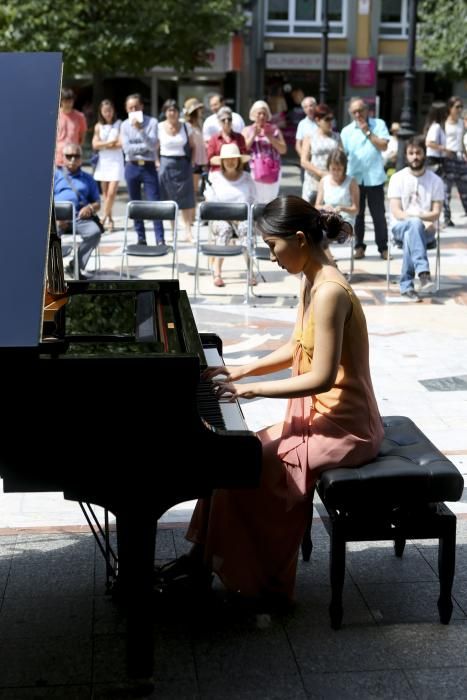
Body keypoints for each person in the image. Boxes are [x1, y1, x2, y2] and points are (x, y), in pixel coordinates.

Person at [155, 195, 384, 607]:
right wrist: (241, 370)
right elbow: (298, 347)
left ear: (298, 239)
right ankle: (200, 562)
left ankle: (245, 577)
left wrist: (252, 390)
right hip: (323, 416)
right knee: (229, 462)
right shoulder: (311, 280)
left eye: (272, 246)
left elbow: (322, 377)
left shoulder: (330, 291)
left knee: (245, 469)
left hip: (346, 426)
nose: (271, 257)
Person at [387, 136, 444, 302]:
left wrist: (419, 222)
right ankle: (423, 272)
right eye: (411, 153)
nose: (415, 157)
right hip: (400, 227)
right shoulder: (397, 178)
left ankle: (407, 286)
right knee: (412, 227)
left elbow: (436, 213)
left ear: (424, 154)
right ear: (406, 155)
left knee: (410, 236)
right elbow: (397, 212)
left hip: (428, 231)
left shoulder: (436, 181)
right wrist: (418, 220)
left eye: (418, 153)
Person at [340, 97, 390, 260]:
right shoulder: (346, 131)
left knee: (378, 215)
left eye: (360, 110)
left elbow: (383, 145)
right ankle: (359, 246)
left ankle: (383, 248)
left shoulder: (379, 124)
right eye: (354, 112)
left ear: (367, 110)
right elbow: (343, 155)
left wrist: (367, 130)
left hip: (374, 178)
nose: (357, 114)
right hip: (355, 178)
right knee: (357, 214)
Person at [204, 143, 256, 288]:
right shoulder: (214, 177)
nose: (230, 161)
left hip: (243, 218)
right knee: (224, 229)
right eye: (227, 159)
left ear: (239, 161)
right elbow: (210, 204)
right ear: (222, 161)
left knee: (246, 229)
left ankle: (250, 272)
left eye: (234, 158)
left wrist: (242, 216)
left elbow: (253, 201)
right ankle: (217, 273)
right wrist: (228, 215)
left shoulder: (247, 178)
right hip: (220, 218)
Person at [120, 93, 165, 245]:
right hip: (131, 166)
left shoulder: (152, 122)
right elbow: (127, 149)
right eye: (130, 108)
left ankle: (160, 238)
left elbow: (153, 146)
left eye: (136, 107)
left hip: (148, 167)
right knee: (135, 203)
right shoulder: (124, 125)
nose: (134, 110)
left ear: (142, 107)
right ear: (127, 109)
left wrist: (140, 131)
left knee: (154, 203)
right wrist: (144, 147)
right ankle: (141, 237)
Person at [54, 143, 102, 280]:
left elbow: (97, 203)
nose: (73, 159)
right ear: (62, 158)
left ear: (81, 158)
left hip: (80, 218)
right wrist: (56, 217)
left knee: (95, 233)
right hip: (57, 218)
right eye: (69, 156)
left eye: (76, 156)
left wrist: (90, 208)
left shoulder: (88, 179)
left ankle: (75, 265)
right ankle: (48, 270)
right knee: (43, 237)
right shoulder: (54, 176)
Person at [158, 99, 196, 242]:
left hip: (183, 163)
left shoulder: (186, 126)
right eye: (169, 110)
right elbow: (155, 146)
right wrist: (157, 162)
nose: (172, 113)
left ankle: (188, 231)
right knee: (168, 199)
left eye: (174, 110)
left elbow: (193, 146)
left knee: (186, 199)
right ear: (165, 112)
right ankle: (172, 232)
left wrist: (192, 162)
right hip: (166, 163)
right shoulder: (159, 127)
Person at [243, 100, 287, 203]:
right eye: (259, 113)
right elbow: (244, 149)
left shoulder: (274, 129)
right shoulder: (247, 130)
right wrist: (254, 135)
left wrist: (270, 137)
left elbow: (283, 149)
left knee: (270, 199)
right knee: (255, 198)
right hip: (254, 170)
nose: (262, 116)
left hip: (273, 169)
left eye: (264, 113)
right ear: (253, 115)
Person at [91, 99, 124, 232]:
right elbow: (95, 145)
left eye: (110, 110)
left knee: (111, 193)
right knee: (105, 194)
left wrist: (103, 144)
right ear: (101, 112)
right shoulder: (98, 126)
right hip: (103, 162)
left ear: (113, 111)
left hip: (116, 161)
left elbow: (120, 143)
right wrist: (110, 143)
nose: (108, 113)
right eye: (105, 111)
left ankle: (103, 218)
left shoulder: (119, 124)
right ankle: (110, 220)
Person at [300, 103, 341, 206]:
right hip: (313, 179)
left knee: (329, 211)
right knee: (310, 210)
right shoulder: (309, 137)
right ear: (318, 120)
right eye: (327, 119)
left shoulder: (337, 137)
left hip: (332, 179)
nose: (330, 122)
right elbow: (304, 161)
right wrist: (320, 173)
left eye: (332, 119)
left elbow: (342, 158)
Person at [315, 149, 359, 227]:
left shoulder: (352, 182)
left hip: (346, 222)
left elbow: (356, 209)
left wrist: (342, 209)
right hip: (328, 222)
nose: (336, 172)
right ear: (329, 167)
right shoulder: (324, 181)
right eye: (333, 169)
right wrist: (324, 207)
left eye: (339, 169)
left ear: (344, 168)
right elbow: (317, 206)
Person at [442, 96, 467, 226]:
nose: (459, 109)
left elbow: (462, 141)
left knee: (464, 189)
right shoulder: (443, 123)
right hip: (448, 157)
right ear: (450, 108)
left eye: (461, 106)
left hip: (460, 157)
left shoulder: (462, 123)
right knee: (446, 189)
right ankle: (447, 217)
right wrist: (444, 151)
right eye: (457, 106)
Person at [206, 106, 248, 173]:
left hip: (236, 174)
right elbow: (210, 159)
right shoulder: (214, 139)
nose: (227, 121)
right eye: (223, 120)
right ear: (219, 122)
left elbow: (244, 156)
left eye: (229, 119)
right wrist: (227, 162)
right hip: (218, 173)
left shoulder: (239, 138)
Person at [55, 88, 87, 167]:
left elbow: (82, 137)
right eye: (66, 101)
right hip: (57, 158)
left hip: (73, 159)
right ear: (61, 101)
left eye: (70, 101)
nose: (68, 104)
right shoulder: (55, 115)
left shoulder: (80, 116)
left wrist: (76, 150)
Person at [183, 98, 208, 197]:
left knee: (198, 188)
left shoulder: (200, 123)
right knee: (193, 189)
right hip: (193, 159)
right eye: (199, 109)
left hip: (201, 159)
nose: (201, 111)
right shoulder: (187, 125)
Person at [424, 102, 447, 179]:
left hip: (435, 160)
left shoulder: (435, 126)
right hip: (434, 160)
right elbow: (429, 143)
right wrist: (444, 148)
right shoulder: (436, 127)